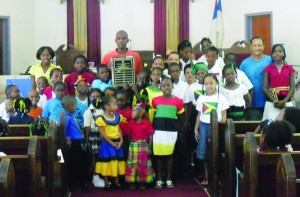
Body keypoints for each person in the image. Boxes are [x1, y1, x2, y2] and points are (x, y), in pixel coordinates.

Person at [194, 73, 229, 185]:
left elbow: (224, 116)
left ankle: (217, 178)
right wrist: (196, 128)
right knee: (204, 154)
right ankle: (207, 177)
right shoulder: (201, 98)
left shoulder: (221, 98)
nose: (208, 86)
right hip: (203, 127)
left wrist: (219, 124)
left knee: (215, 153)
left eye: (211, 83)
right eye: (206, 84)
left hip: (216, 127)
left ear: (216, 84)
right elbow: (199, 115)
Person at [152, 77, 185, 189]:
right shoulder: (155, 100)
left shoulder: (178, 101)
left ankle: (169, 179)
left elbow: (181, 117)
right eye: (164, 85)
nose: (166, 87)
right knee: (159, 155)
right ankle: (159, 179)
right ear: (161, 87)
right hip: (158, 130)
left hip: (171, 131)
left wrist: (178, 128)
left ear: (172, 87)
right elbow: (154, 114)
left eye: (169, 85)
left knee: (170, 155)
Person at [95, 95, 125, 190]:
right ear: (107, 106)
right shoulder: (101, 119)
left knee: (116, 161)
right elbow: (102, 133)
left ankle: (116, 181)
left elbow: (119, 129)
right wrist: (112, 143)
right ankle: (107, 182)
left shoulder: (117, 116)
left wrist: (121, 140)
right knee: (107, 162)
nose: (116, 106)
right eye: (114, 104)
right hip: (107, 144)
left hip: (117, 143)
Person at [61, 95, 90, 192]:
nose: (76, 107)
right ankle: (76, 184)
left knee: (80, 163)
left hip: (77, 142)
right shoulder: (65, 116)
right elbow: (61, 128)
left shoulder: (69, 115)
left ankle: (81, 183)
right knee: (75, 164)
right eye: (75, 105)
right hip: (73, 144)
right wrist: (64, 137)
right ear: (70, 106)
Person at [240, 37, 272, 120]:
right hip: (252, 104)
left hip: (270, 102)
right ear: (251, 47)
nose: (257, 48)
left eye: (259, 45)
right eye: (255, 46)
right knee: (255, 129)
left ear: (263, 46)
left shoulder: (270, 60)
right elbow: (241, 84)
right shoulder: (244, 64)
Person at [125, 102, 155, 190]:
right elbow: (128, 136)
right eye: (132, 111)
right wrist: (130, 147)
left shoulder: (147, 123)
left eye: (135, 111)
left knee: (143, 164)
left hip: (143, 146)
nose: (132, 113)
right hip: (133, 146)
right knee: (132, 164)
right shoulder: (130, 123)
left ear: (141, 113)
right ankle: (132, 181)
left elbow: (150, 135)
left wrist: (149, 148)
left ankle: (142, 182)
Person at [262, 44, 295, 120]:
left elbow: (293, 87)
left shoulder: (289, 68)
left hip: (286, 100)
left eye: (280, 51)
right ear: (272, 55)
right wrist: (274, 101)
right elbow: (264, 88)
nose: (277, 53)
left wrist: (284, 101)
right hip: (272, 101)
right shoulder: (268, 69)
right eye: (275, 51)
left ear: (284, 54)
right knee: (271, 123)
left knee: (288, 122)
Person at [185, 63, 208, 168]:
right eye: (198, 73)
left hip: (207, 112)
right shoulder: (192, 87)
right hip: (195, 112)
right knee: (195, 138)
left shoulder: (210, 85)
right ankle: (194, 164)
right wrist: (187, 120)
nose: (200, 75)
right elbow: (189, 104)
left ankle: (203, 166)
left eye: (203, 73)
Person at [83, 89, 104, 188]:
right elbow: (87, 127)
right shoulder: (88, 111)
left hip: (103, 136)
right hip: (93, 135)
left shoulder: (103, 110)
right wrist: (86, 140)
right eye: (93, 97)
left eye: (98, 97)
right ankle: (95, 176)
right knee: (94, 156)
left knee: (102, 156)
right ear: (89, 98)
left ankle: (102, 174)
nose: (95, 98)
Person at [116, 90, 132, 160]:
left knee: (126, 152)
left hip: (127, 137)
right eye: (117, 100)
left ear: (127, 100)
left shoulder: (130, 112)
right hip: (117, 136)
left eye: (122, 101)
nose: (119, 102)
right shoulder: (116, 111)